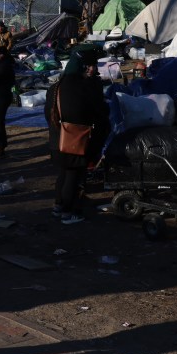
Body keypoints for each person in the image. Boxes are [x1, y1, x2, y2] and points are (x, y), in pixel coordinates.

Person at [45, 46, 110, 224]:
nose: (93, 69)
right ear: (82, 66)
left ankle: (58, 206)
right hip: (75, 139)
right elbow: (98, 113)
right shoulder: (83, 88)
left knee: (64, 174)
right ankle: (67, 212)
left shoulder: (56, 87)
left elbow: (48, 114)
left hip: (57, 139)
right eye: (90, 66)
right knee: (73, 176)